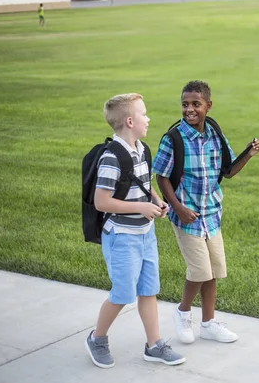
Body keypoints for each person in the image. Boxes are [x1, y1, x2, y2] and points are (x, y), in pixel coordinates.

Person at [153, 80, 259, 344]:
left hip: (211, 213)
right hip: (187, 217)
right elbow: (161, 175)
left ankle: (209, 323)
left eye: (195, 104)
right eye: (185, 104)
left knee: (213, 270)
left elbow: (228, 170)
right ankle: (182, 312)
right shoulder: (174, 139)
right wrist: (177, 207)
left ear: (208, 106)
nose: (189, 109)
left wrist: (248, 153)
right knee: (200, 271)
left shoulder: (214, 133)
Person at [85, 93, 185, 368]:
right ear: (130, 121)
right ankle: (97, 338)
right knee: (122, 293)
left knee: (148, 290)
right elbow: (101, 201)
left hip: (145, 234)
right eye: (144, 114)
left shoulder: (142, 149)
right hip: (121, 236)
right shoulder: (111, 158)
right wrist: (140, 209)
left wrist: (155, 200)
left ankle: (154, 345)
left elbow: (142, 183)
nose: (148, 118)